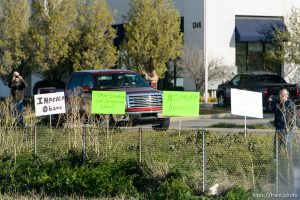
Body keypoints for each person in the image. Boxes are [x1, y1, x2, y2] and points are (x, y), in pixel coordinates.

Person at [268, 88, 297, 159]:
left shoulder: (290, 103)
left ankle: (290, 161)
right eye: (281, 94)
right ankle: (276, 160)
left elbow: (290, 111)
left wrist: (283, 102)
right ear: (279, 95)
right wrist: (270, 101)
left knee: (287, 144)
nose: (283, 95)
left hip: (287, 129)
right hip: (278, 128)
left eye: (284, 94)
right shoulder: (277, 104)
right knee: (277, 146)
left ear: (287, 95)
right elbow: (269, 109)